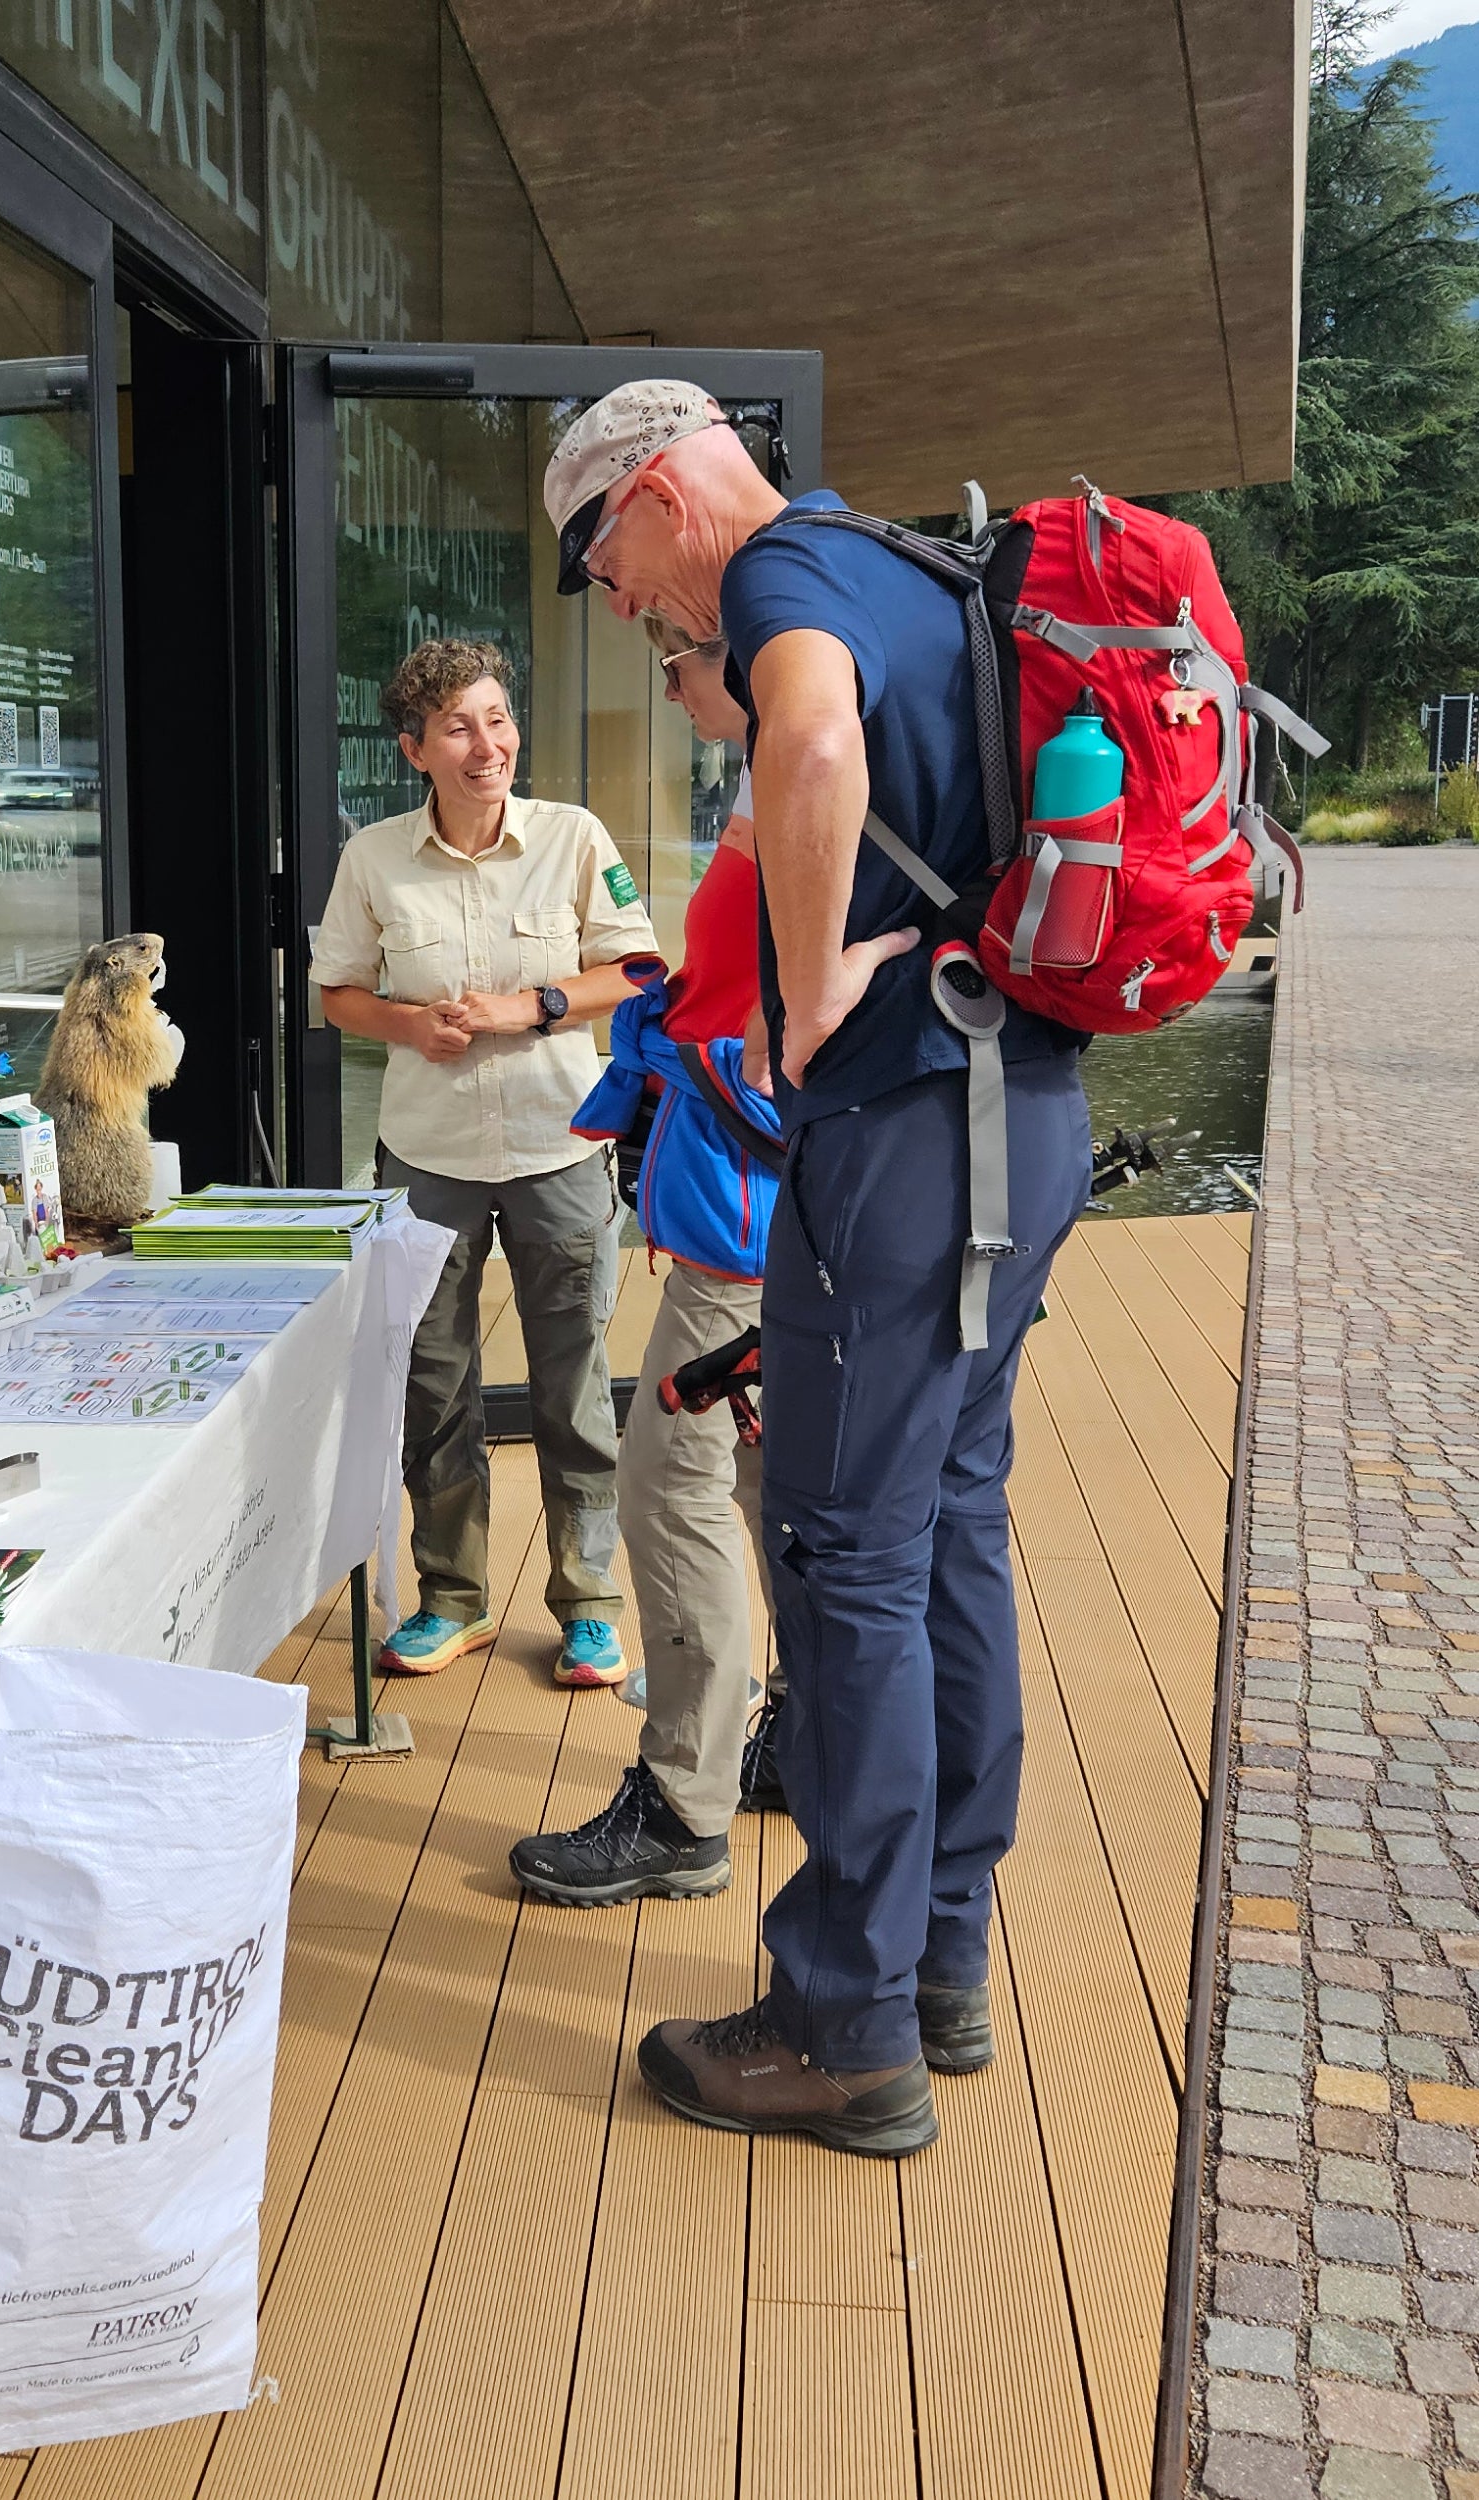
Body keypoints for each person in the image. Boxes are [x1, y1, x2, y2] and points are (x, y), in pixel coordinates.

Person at [541, 381, 1091, 2158]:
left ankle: (841, 2030)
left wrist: (798, 996)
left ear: (653, 493)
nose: (626, 609)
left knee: (845, 1553)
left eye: (602, 563)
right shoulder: (910, 565)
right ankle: (938, 1962)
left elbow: (814, 752)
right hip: (1024, 1110)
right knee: (947, 1530)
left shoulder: (782, 575)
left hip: (908, 1138)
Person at [311, 639, 658, 1689]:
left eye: (497, 718)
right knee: (435, 1383)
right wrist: (408, 1027)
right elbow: (336, 991)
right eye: (458, 726)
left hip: (559, 1143)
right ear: (414, 747)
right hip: (428, 1155)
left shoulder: (571, 838)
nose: (487, 744)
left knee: (573, 1384)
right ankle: (450, 1596)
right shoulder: (371, 858)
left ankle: (588, 1603)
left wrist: (535, 1004)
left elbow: (639, 966)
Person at [510, 617, 788, 1908]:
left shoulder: (804, 768)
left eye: (675, 664)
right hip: (770, 1233)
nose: (667, 690)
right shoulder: (800, 762)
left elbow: (800, 1031)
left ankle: (684, 1805)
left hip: (747, 1244)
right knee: (775, 1495)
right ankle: (802, 1739)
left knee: (668, 1494)